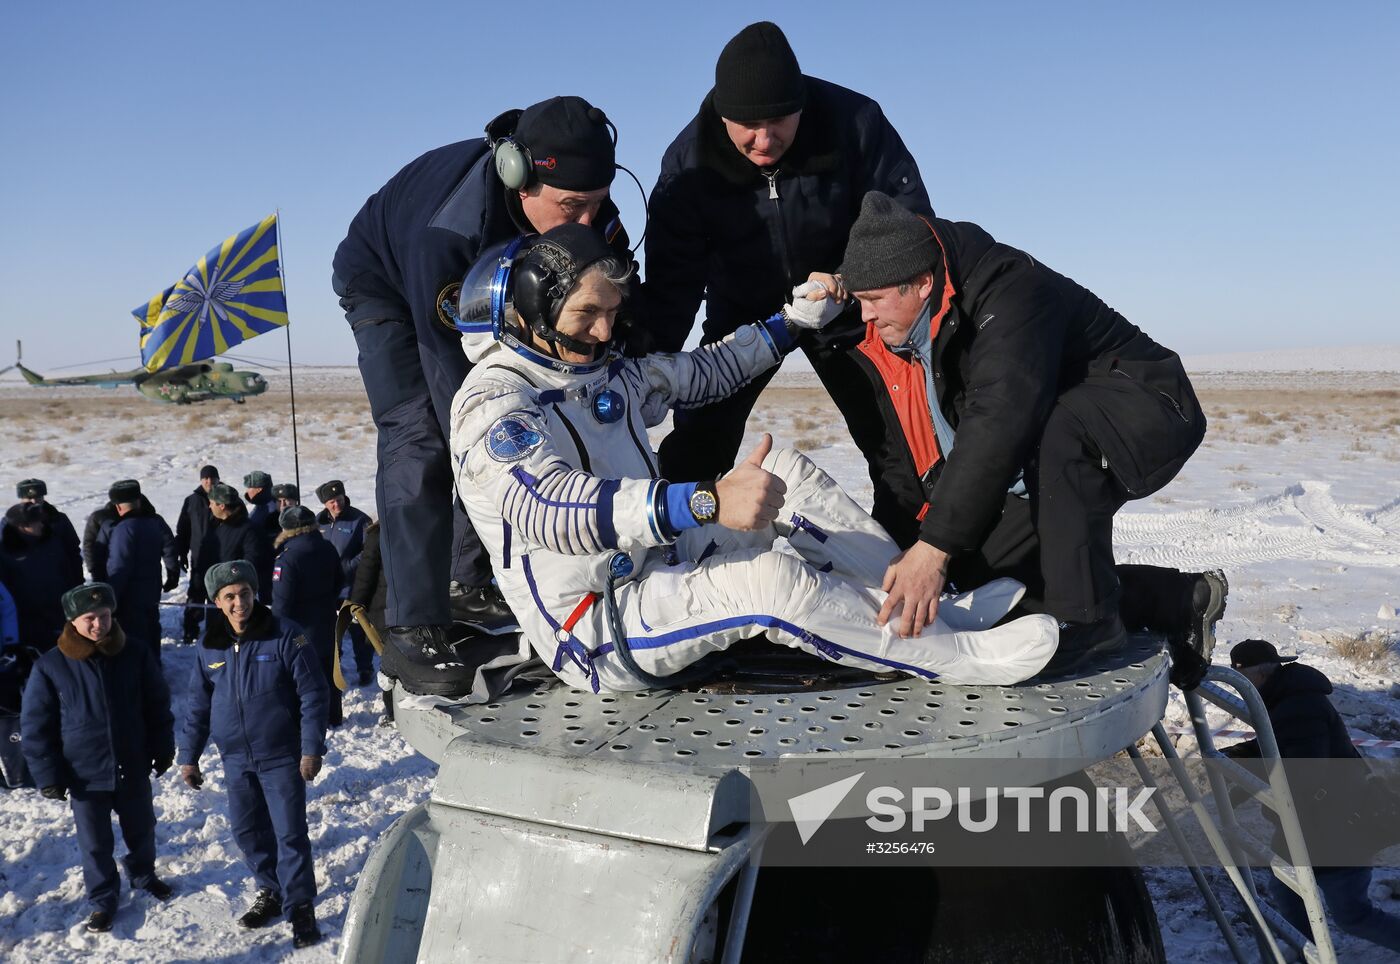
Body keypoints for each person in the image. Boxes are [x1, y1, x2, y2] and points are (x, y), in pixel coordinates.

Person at [437, 223, 1056, 698]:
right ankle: (958, 662)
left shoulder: (599, 375)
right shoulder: (495, 404)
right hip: (596, 621)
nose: (604, 332)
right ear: (531, 311)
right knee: (771, 584)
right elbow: (550, 508)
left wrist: (793, 322)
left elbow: (706, 370)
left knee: (787, 473)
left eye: (611, 313)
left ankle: (926, 610)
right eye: (586, 315)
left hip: (660, 565)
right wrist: (702, 500)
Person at [826, 192, 1226, 679]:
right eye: (860, 300)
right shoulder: (920, 321)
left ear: (922, 283)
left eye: (873, 301)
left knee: (1060, 430)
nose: (865, 316)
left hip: (1148, 404)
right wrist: (917, 550)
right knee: (981, 579)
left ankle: (1091, 623)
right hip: (1051, 430)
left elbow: (1001, 415)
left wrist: (934, 547)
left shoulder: (1011, 291)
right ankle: (1176, 600)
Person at [332, 94, 629, 668]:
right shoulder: (449, 228)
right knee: (424, 435)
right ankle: (412, 627)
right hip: (388, 285)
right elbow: (458, 393)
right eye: (573, 208)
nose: (588, 222)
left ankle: (472, 583)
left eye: (598, 203)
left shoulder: (585, 210)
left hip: (486, 280)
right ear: (520, 181)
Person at [646, 21, 932, 505]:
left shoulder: (855, 122)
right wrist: (648, 367)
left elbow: (908, 225)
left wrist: (849, 280)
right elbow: (674, 283)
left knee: (895, 435)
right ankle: (677, 549)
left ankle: (912, 549)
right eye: (747, 126)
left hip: (842, 304)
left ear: (801, 104)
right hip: (743, 313)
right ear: (722, 115)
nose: (763, 140)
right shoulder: (689, 163)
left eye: (778, 121)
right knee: (699, 435)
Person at [178, 560, 327, 949]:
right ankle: (270, 890)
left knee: (289, 833)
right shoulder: (210, 643)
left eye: (244, 593)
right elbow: (198, 705)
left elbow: (313, 694)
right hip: (235, 759)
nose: (239, 602)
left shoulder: (285, 634)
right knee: (247, 831)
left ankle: (300, 907)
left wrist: (311, 748)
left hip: (280, 756)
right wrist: (188, 756)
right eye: (229, 596)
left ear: (254, 593)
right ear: (216, 601)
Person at [1223, 639, 1400, 953]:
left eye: (1241, 679)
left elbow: (1303, 771)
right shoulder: (1285, 699)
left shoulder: (1299, 706)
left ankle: (1310, 952)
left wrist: (1244, 782)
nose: (1241, 689)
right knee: (1287, 894)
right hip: (1312, 825)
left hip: (1337, 828)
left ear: (1256, 675)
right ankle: (1307, 952)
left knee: (1352, 915)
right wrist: (1236, 755)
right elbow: (1281, 744)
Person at [20, 582, 175, 933]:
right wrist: (48, 775)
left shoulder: (134, 653)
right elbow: (36, 728)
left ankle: (144, 875)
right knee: (95, 843)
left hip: (132, 763)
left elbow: (157, 706)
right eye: (89, 618)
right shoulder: (50, 666)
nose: (98, 624)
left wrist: (163, 747)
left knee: (142, 829)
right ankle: (103, 898)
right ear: (73, 621)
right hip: (84, 774)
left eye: (104, 616)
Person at [272, 506, 346, 725]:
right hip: (327, 623)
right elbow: (339, 581)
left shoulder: (287, 559)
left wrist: (276, 627)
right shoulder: (328, 548)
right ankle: (333, 715)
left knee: (303, 673)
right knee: (330, 671)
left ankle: (307, 718)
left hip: (300, 631)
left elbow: (282, 603)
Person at [104, 480, 179, 652]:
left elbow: (119, 567)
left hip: (130, 596)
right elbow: (169, 546)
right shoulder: (154, 522)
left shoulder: (124, 529)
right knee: (152, 628)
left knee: (134, 637)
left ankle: (142, 674)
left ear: (118, 507)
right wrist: (172, 572)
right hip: (152, 588)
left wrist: (111, 598)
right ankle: (155, 668)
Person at [314, 480, 374, 687]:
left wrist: (348, 566)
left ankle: (365, 667)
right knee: (330, 629)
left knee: (358, 629)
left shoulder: (360, 520)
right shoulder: (319, 522)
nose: (336, 505)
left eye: (339, 500)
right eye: (331, 502)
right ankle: (334, 663)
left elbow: (369, 551)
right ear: (324, 504)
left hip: (353, 586)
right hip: (328, 588)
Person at [0, 502, 79, 651]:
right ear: (22, 526)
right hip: (28, 624)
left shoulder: (52, 541)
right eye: (37, 521)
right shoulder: (5, 551)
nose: (42, 524)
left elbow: (68, 571)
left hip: (61, 616)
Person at [193, 483, 273, 608]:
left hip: (237, 601)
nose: (209, 506)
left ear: (222, 506)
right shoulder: (214, 527)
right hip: (217, 596)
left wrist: (231, 582)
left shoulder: (249, 530)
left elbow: (252, 563)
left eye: (212, 503)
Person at [176, 465, 219, 644]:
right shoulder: (191, 500)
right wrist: (182, 553)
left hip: (220, 558)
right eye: (205, 478)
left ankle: (215, 632)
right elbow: (183, 529)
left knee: (217, 597)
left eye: (212, 478)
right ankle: (190, 630)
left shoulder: (228, 497)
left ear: (218, 479)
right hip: (199, 557)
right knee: (196, 593)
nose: (209, 481)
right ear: (201, 480)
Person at [11, 479, 82, 575]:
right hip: (24, 582)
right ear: (21, 499)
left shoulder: (59, 519)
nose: (34, 501)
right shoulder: (10, 523)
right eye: (29, 498)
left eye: (38, 497)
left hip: (60, 579)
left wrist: (77, 579)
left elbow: (73, 551)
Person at [244, 471, 279, 539]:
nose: (247, 491)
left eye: (249, 488)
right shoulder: (274, 502)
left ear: (259, 490)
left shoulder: (264, 509)